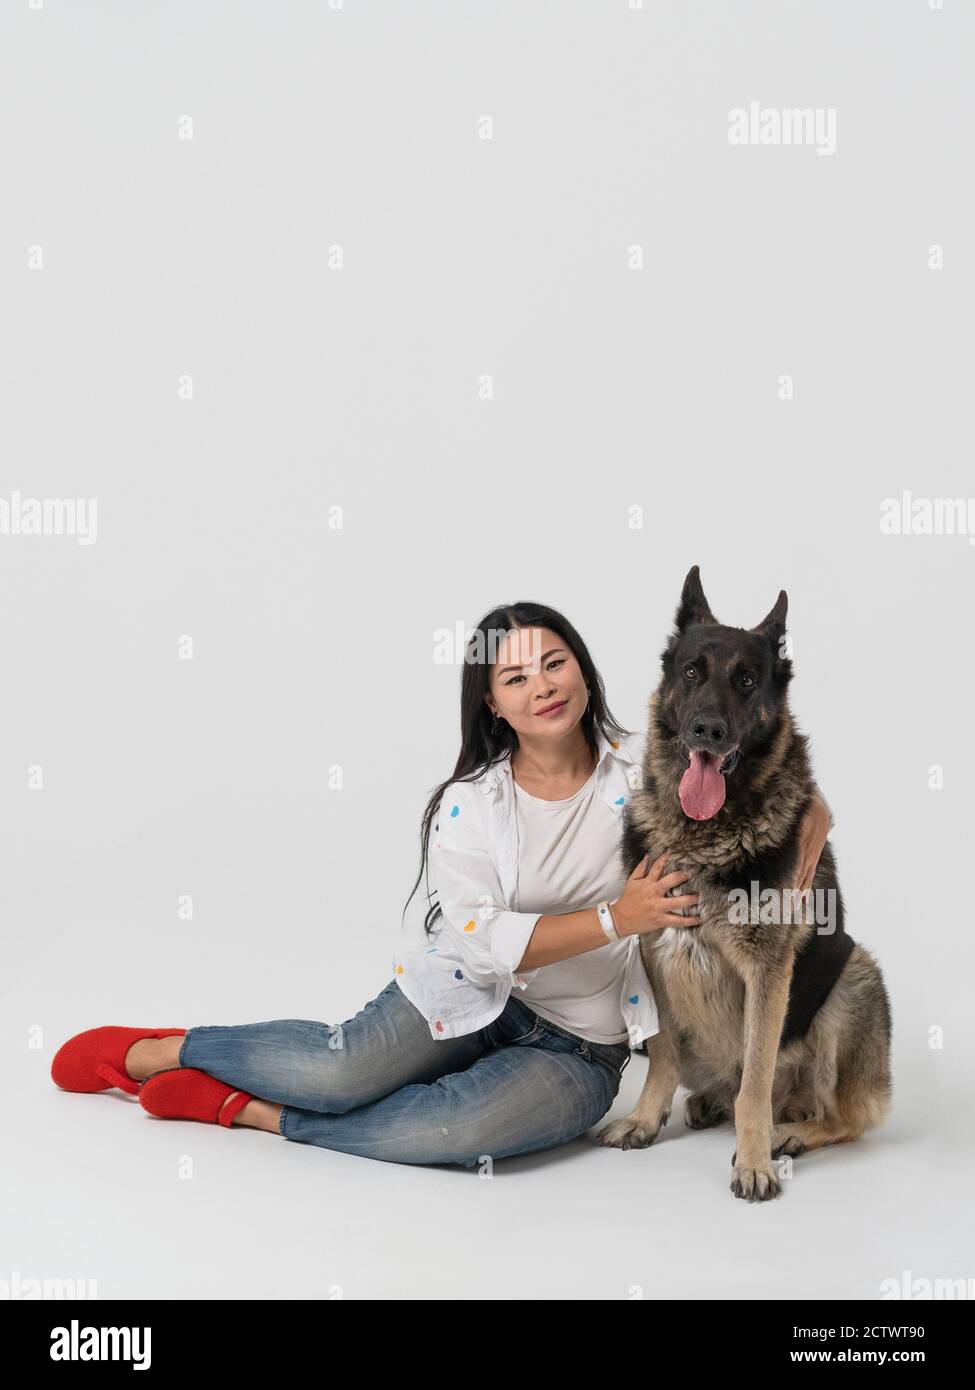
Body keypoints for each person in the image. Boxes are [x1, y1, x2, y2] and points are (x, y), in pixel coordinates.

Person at [50, 601, 833, 1168]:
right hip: (467, 997)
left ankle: (254, 1113)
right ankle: (164, 1049)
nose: (542, 686)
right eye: (515, 676)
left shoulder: (646, 771)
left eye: (554, 663)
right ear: (491, 703)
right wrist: (614, 919)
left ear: (585, 675)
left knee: (451, 1134)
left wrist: (814, 812)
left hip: (580, 1048)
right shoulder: (470, 803)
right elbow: (482, 945)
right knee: (339, 1072)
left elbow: (757, 776)